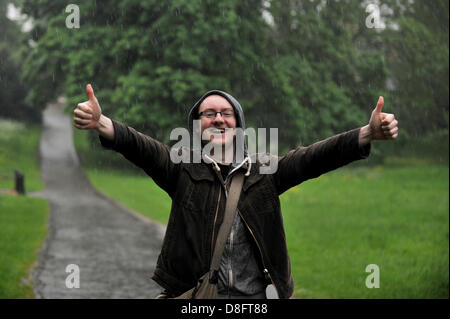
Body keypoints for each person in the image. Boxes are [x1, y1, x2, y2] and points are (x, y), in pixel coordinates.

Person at [73, 84, 399, 299]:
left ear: (238, 125)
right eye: (209, 113)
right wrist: (103, 124)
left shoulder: (265, 172)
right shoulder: (182, 169)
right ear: (197, 126)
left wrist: (365, 134)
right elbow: (142, 148)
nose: (218, 119)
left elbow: (313, 158)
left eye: (226, 113)